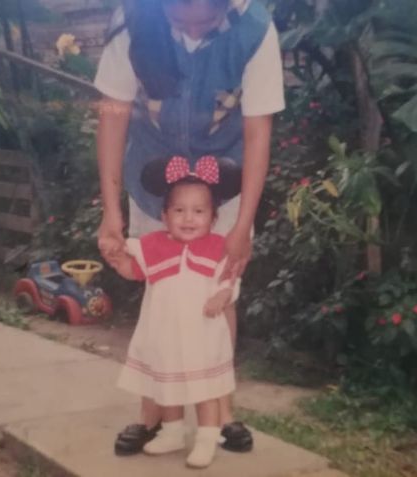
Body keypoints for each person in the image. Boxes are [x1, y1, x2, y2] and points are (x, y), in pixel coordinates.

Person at [94, 0, 284, 456]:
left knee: (219, 297)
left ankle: (221, 415)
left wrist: (242, 223)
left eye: (206, 18)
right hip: (155, 182)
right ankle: (153, 414)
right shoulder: (132, 20)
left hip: (226, 180)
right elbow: (113, 115)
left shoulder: (256, 28)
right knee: (158, 293)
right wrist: (111, 209)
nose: (193, 26)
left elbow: (258, 130)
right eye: (180, 15)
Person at [104, 156, 242, 468]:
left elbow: (230, 280)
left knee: (205, 388)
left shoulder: (219, 247)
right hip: (165, 333)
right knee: (167, 384)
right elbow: (135, 271)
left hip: (202, 334)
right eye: (179, 210)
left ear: (213, 217)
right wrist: (118, 262)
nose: (188, 218)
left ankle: (207, 437)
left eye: (198, 211)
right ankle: (172, 431)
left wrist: (222, 296)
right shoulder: (152, 246)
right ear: (164, 216)